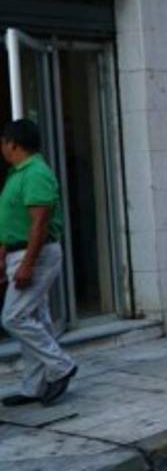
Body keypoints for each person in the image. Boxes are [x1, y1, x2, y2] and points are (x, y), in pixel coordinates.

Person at [1, 119, 74, 407]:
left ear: (13, 143)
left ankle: (62, 366)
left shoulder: (35, 173)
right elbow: (13, 220)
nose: (2, 147)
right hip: (19, 253)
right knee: (35, 318)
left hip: (35, 254)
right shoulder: (18, 173)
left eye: (3, 142)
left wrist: (27, 265)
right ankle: (34, 386)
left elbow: (39, 223)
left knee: (13, 317)